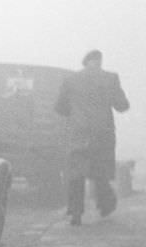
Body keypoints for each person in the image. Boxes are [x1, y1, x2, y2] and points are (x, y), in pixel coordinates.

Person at [55, 49, 129, 225]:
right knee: (101, 171)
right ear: (100, 61)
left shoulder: (70, 80)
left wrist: (74, 113)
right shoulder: (110, 78)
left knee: (76, 173)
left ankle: (76, 212)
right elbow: (122, 106)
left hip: (79, 132)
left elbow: (60, 107)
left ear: (85, 62)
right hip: (103, 133)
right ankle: (105, 204)